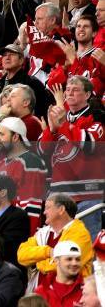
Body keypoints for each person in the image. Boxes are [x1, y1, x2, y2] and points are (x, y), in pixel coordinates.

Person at [39, 76, 104, 240]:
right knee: (60, 249)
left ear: (88, 94)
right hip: (59, 195)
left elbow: (89, 144)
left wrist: (64, 125)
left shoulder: (96, 118)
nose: (69, 93)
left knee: (88, 247)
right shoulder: (60, 120)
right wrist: (52, 131)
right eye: (67, 90)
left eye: (75, 90)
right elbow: (41, 151)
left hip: (87, 195)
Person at [18, 193, 94, 289]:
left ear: (61, 210)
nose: (44, 212)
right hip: (42, 295)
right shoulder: (43, 233)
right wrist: (48, 252)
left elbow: (63, 266)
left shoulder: (80, 233)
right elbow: (21, 256)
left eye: (48, 208)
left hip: (70, 295)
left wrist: (37, 263)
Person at [34, 241, 84, 307]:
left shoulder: (87, 289)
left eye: (77, 259)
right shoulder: (41, 292)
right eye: (69, 259)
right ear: (56, 260)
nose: (74, 263)